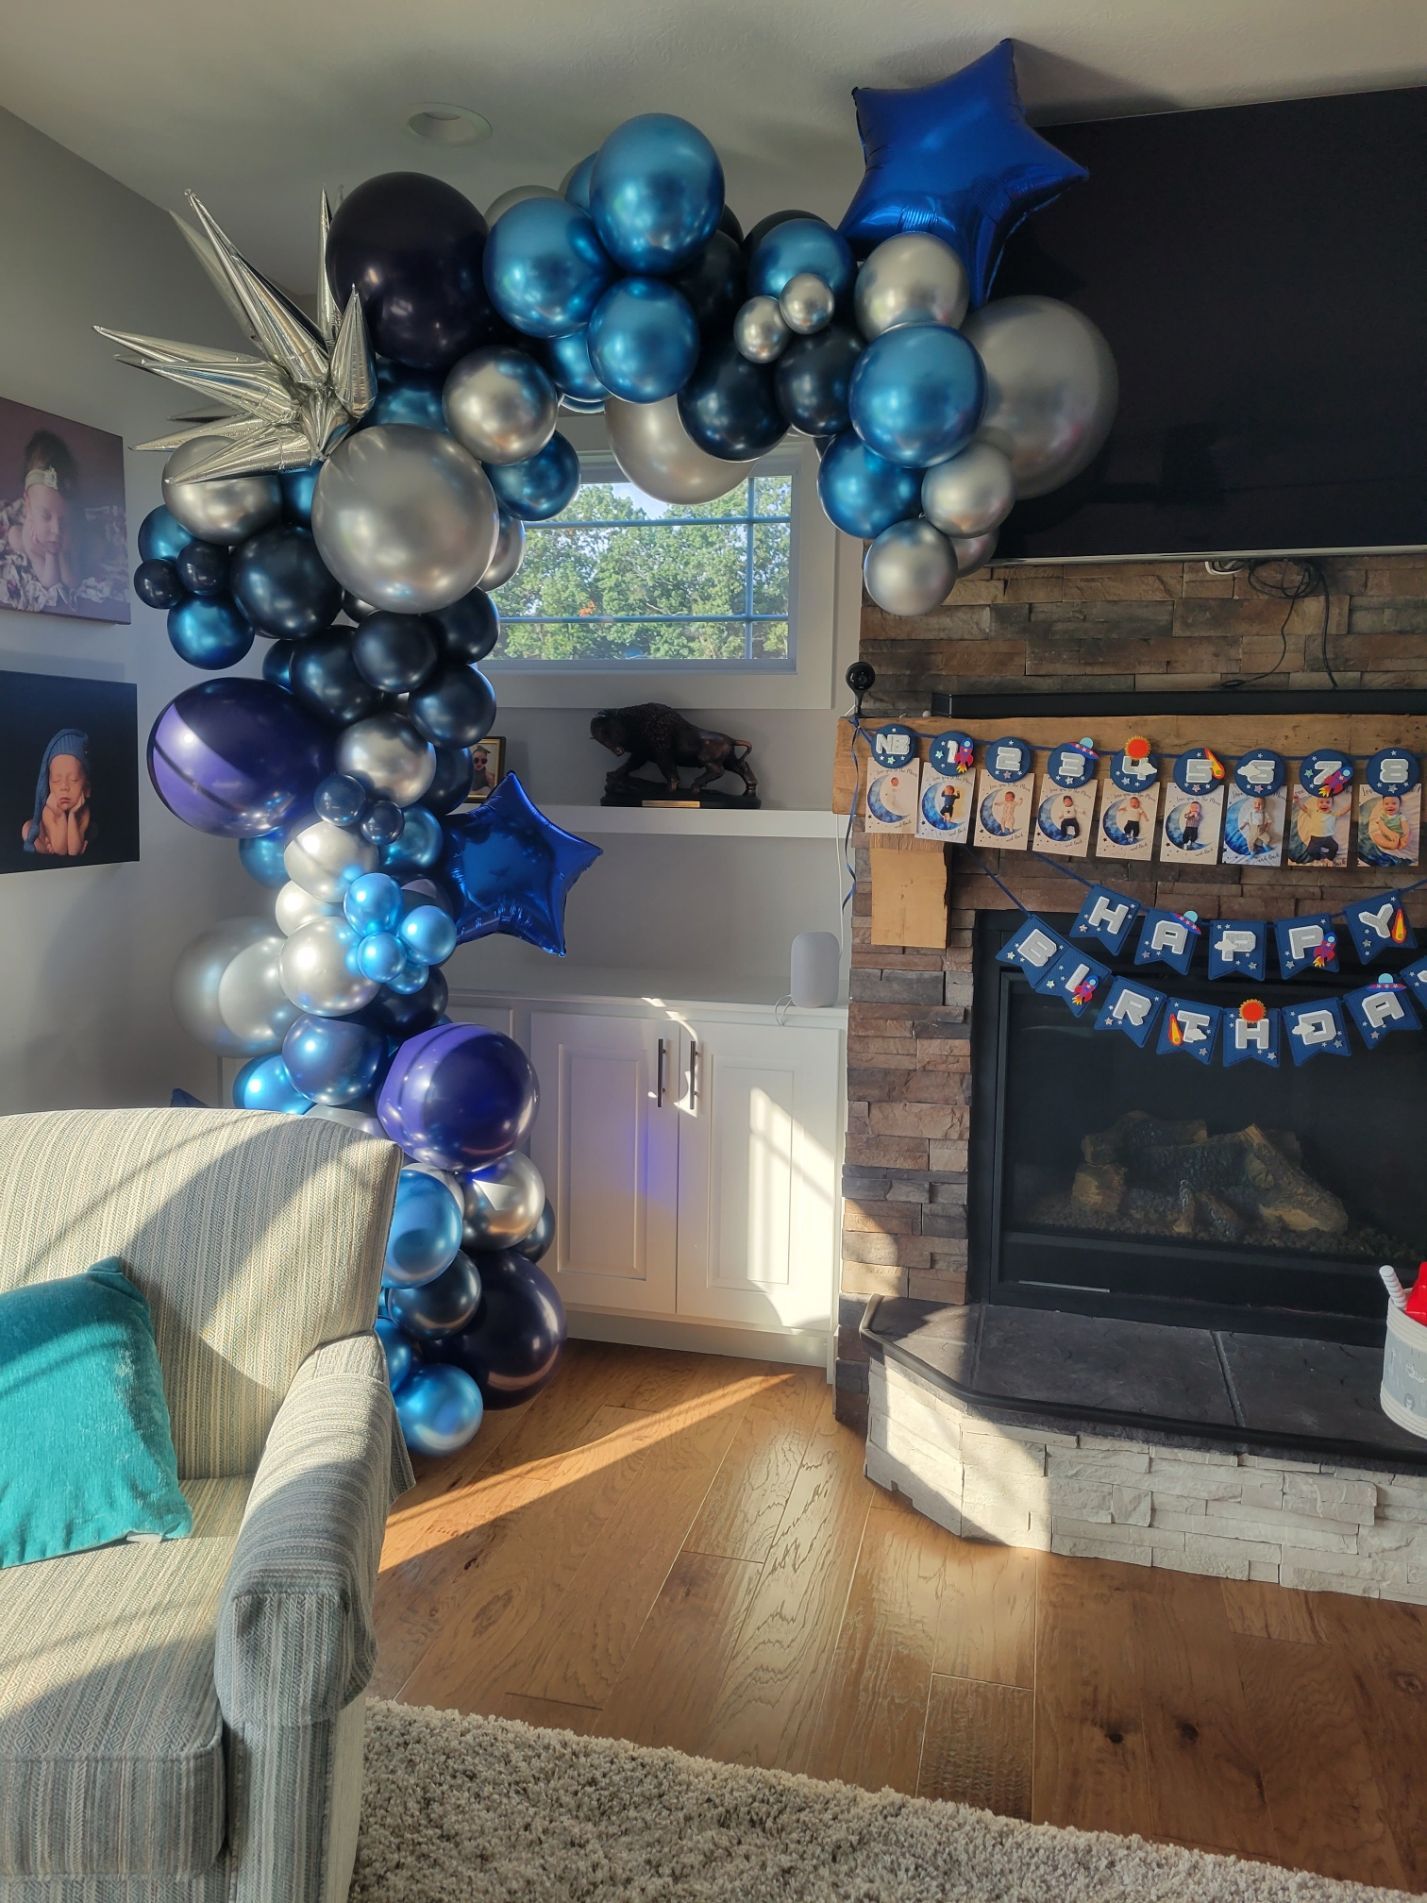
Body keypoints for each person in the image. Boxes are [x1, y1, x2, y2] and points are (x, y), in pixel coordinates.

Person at [0, 430, 78, 613]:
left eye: (63, 518)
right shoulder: (30, 535)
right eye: (45, 516)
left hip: (73, 541)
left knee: (95, 547)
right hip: (30, 540)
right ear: (27, 504)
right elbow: (48, 581)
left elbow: (71, 581)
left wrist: (63, 555)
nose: (56, 530)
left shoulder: (67, 530)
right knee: (14, 536)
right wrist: (51, 556)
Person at [22, 728, 92, 858]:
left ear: (86, 787)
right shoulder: (49, 811)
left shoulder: (83, 812)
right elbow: (61, 850)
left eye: (73, 779)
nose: (64, 787)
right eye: (56, 780)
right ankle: (45, 845)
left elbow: (72, 851)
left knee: (91, 831)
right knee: (27, 828)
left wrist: (72, 815)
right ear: (48, 785)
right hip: (47, 836)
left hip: (67, 839)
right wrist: (60, 816)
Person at [1294, 790, 1340, 862]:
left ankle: (1329, 858)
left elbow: (1343, 811)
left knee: (1335, 847)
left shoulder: (1333, 814)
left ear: (1332, 805)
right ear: (1317, 804)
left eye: (1328, 802)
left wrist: (1351, 805)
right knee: (1311, 851)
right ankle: (1320, 857)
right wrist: (1298, 801)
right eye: (1321, 802)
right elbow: (1304, 808)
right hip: (1315, 839)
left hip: (1327, 838)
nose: (1324, 804)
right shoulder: (1313, 812)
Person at [1367, 792, 1410, 858]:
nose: (1390, 806)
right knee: (1376, 836)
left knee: (1410, 834)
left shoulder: (1400, 816)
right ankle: (1389, 844)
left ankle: (1401, 843)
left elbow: (1405, 826)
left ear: (1399, 805)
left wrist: (1405, 836)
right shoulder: (1382, 816)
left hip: (1399, 835)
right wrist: (1389, 833)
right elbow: (1381, 826)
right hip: (1385, 836)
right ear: (1383, 805)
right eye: (1386, 804)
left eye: (1394, 803)